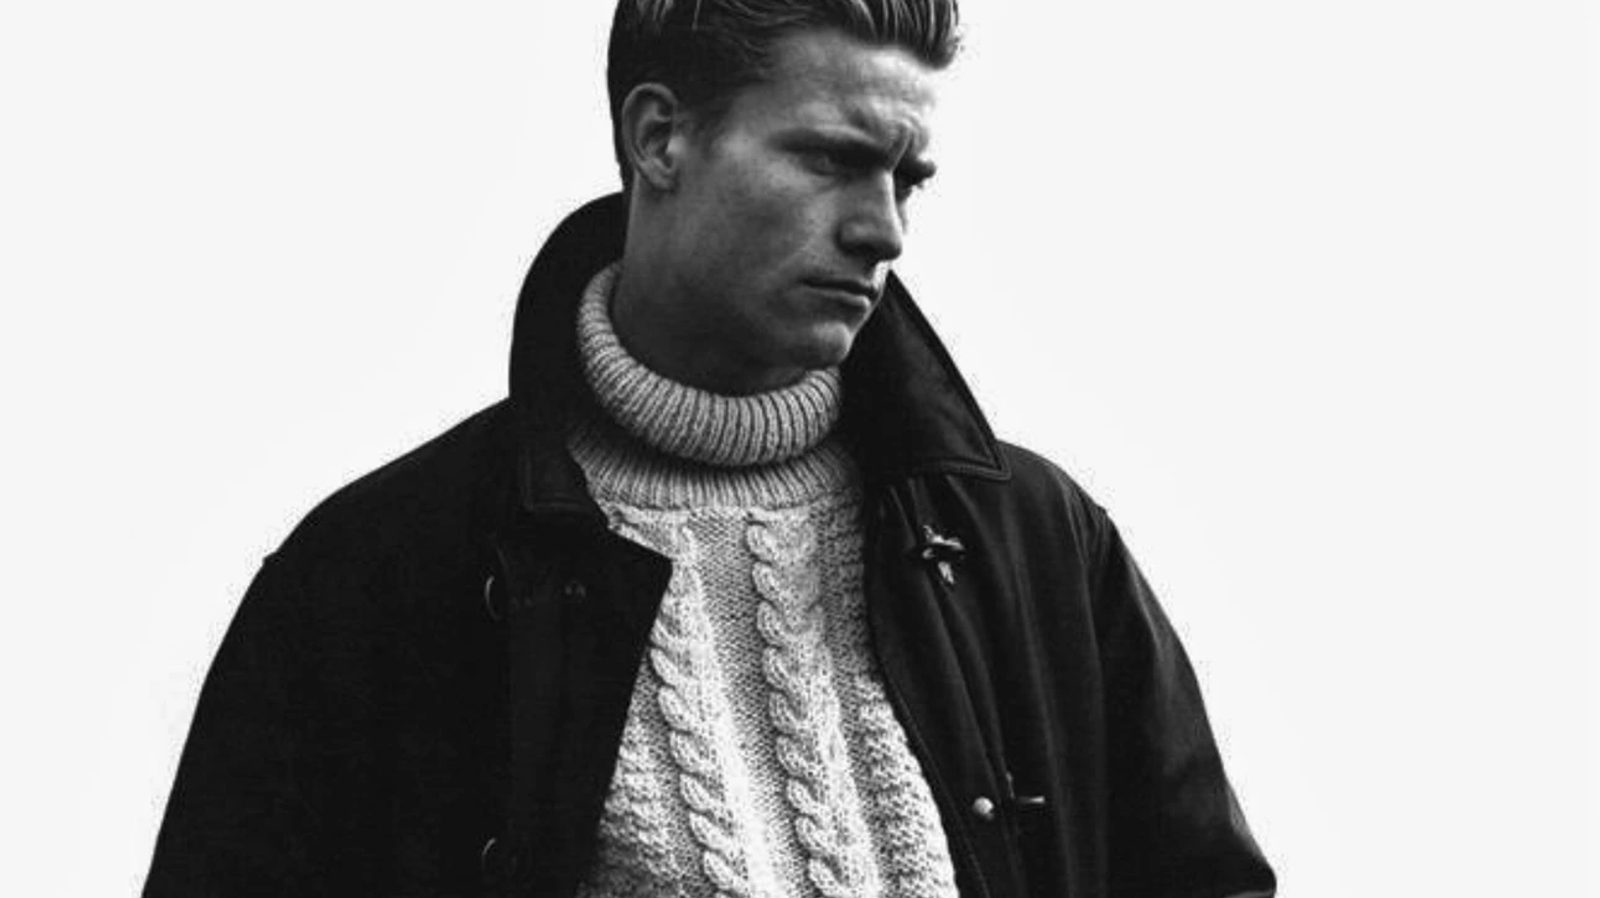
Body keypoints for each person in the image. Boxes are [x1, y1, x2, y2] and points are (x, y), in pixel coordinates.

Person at [143, 2, 1277, 896]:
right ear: (659, 137)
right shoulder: (376, 571)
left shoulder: (1035, 543)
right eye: (830, 159)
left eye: (906, 179)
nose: (883, 228)